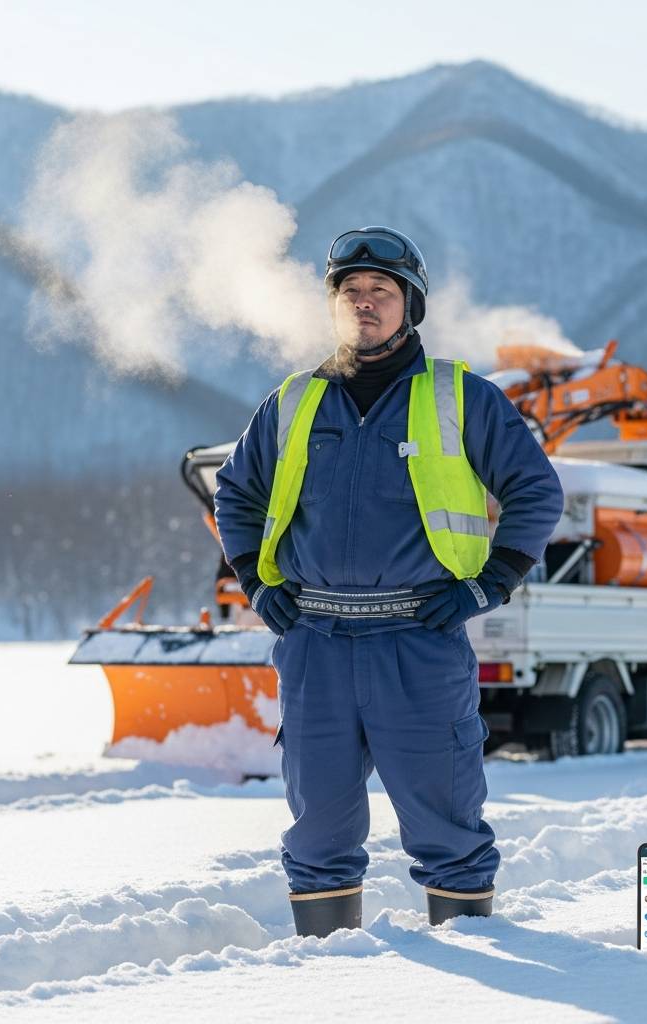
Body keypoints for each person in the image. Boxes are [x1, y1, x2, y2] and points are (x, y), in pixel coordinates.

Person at [213, 226, 563, 937]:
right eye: (351, 290)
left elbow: (536, 491)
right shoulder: (293, 401)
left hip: (418, 638)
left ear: (411, 306)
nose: (364, 302)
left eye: (382, 290)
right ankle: (328, 970)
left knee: (447, 823)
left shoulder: (462, 398)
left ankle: (467, 963)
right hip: (314, 642)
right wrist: (255, 581)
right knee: (318, 831)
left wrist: (488, 585)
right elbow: (236, 493)